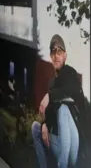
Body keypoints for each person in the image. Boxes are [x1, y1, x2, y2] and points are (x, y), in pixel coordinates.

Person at [31, 35, 87, 168]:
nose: (56, 55)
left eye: (60, 52)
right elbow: (49, 112)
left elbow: (70, 89)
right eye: (53, 52)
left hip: (74, 144)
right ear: (50, 56)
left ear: (65, 56)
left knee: (63, 109)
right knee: (35, 127)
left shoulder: (70, 74)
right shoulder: (51, 83)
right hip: (59, 143)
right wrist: (44, 124)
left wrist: (49, 96)